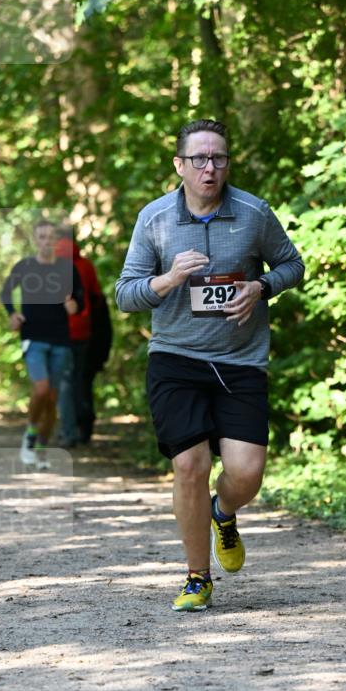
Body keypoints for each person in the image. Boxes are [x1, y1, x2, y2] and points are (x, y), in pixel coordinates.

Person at [115, 118, 304, 611]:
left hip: (240, 361)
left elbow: (293, 265)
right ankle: (197, 578)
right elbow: (125, 295)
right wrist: (168, 279)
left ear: (227, 163)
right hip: (176, 358)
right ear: (180, 165)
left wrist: (261, 287)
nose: (209, 167)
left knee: (247, 474)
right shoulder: (154, 219)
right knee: (189, 465)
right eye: (198, 158)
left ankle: (224, 512)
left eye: (218, 158)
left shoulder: (252, 213)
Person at [1, 219, 84, 469]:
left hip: (60, 339)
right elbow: (6, 292)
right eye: (42, 237)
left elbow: (80, 300)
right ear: (35, 240)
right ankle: (29, 436)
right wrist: (12, 314)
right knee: (41, 390)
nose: (47, 241)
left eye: (51, 237)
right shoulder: (25, 267)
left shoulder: (68, 269)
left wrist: (74, 306)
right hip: (33, 337)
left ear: (56, 241)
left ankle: (41, 449)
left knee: (52, 398)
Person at [54, 226, 111, 445]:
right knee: (81, 380)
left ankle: (69, 432)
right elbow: (97, 299)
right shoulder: (86, 265)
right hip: (85, 332)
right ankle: (84, 428)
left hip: (60, 333)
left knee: (65, 382)